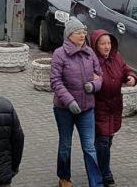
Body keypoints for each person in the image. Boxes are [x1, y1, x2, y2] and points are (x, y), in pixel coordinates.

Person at [49, 18, 104, 187]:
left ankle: (96, 182)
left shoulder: (90, 53)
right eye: (78, 32)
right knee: (65, 144)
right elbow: (55, 81)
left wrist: (93, 85)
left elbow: (100, 75)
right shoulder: (59, 54)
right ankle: (64, 177)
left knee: (89, 147)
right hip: (64, 109)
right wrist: (69, 100)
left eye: (83, 32)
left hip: (87, 108)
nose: (82, 35)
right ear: (69, 35)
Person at [91, 29, 136, 186]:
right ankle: (105, 173)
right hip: (99, 106)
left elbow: (125, 70)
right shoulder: (91, 60)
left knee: (108, 139)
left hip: (115, 105)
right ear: (95, 45)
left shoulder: (117, 57)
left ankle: (100, 165)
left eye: (108, 43)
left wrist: (131, 77)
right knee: (102, 140)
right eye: (102, 43)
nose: (106, 46)